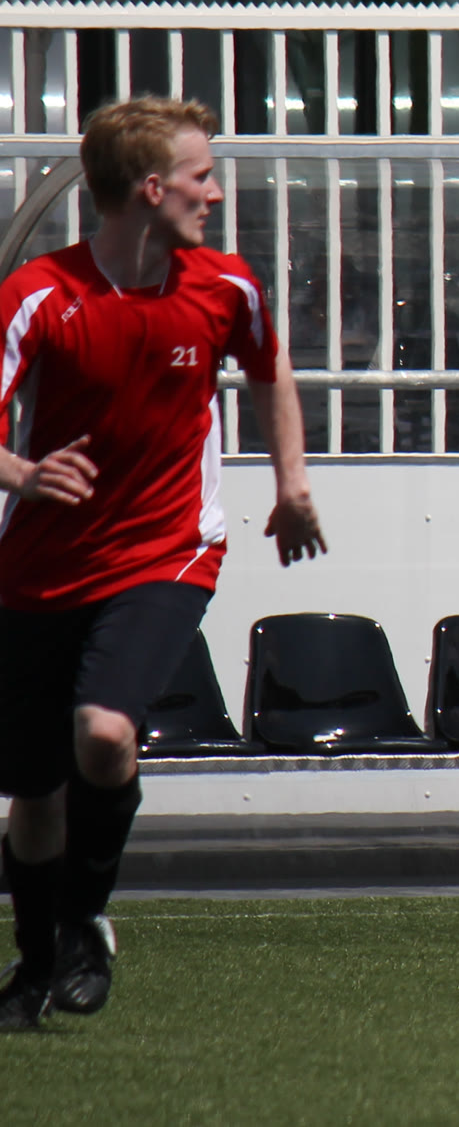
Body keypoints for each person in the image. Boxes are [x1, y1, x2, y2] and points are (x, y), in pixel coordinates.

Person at [0, 97, 325, 1030]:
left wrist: (292, 486)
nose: (214, 194)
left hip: (169, 550)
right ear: (151, 188)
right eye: (201, 176)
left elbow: (270, 372)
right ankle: (33, 969)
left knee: (105, 734)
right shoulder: (39, 295)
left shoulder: (225, 285)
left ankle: (85, 920)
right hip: (40, 568)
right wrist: (26, 473)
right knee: (34, 793)